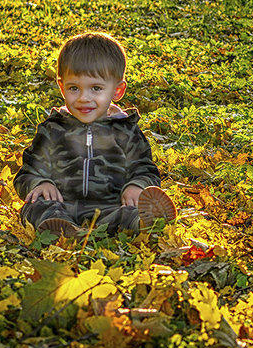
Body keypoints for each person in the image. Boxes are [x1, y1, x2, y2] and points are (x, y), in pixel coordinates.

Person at [14, 32, 175, 238]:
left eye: (96, 88)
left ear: (117, 91)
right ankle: (60, 228)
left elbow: (145, 169)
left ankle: (142, 223)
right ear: (62, 87)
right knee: (36, 206)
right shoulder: (53, 130)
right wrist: (40, 184)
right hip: (62, 206)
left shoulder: (125, 130)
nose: (83, 98)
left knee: (128, 213)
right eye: (74, 88)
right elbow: (27, 173)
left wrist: (137, 186)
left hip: (110, 208)